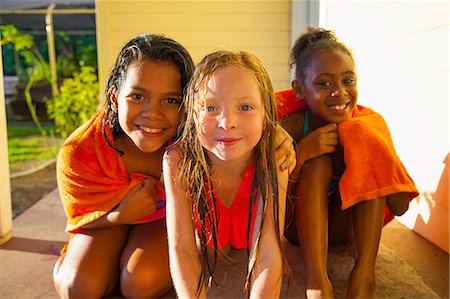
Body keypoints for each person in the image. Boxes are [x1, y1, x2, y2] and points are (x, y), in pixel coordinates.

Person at [53, 35, 295, 298]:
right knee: (78, 287)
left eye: (170, 100)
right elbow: (81, 216)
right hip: (108, 221)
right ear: (114, 98)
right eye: (137, 96)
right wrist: (121, 215)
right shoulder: (80, 153)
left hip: (158, 220)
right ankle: (106, 259)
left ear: (185, 105)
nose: (153, 113)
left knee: (139, 284)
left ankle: (120, 264)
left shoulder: (191, 138)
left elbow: (243, 100)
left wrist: (275, 132)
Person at [277, 27, 419, 298]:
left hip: (344, 229)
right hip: (297, 229)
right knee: (319, 164)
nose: (340, 92)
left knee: (369, 168)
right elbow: (272, 196)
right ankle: (318, 282)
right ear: (299, 89)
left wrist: (370, 156)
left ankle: (364, 274)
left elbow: (399, 206)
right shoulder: (292, 125)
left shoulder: (367, 127)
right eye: (324, 83)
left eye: (348, 80)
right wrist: (303, 152)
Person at [163, 50, 289, 298]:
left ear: (266, 116)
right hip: (210, 237)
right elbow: (182, 247)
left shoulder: (273, 157)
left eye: (245, 107)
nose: (227, 122)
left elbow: (269, 245)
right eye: (210, 107)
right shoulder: (177, 160)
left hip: (249, 232)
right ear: (192, 114)